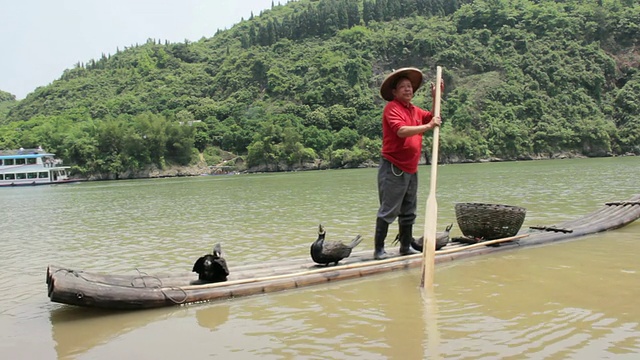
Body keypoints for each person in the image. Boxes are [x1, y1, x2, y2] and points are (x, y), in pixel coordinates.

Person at [374, 67, 443, 260]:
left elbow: (433, 117)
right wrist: (428, 126)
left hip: (411, 168)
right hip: (393, 167)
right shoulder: (392, 108)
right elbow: (401, 131)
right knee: (389, 209)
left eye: (410, 86)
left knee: (408, 209)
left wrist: (436, 97)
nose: (408, 89)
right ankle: (379, 250)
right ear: (394, 92)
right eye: (403, 87)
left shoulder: (415, 110)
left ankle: (405, 246)